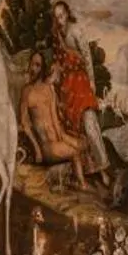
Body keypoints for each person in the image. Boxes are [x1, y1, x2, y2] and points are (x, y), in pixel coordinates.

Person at [49, 0, 110, 177]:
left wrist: (92, 82)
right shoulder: (57, 35)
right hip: (68, 86)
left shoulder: (76, 31)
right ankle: (89, 167)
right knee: (75, 127)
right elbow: (59, 62)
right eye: (56, 17)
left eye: (62, 15)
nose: (59, 19)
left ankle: (103, 164)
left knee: (89, 123)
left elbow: (87, 57)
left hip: (81, 82)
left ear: (67, 13)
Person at [18, 52, 86, 189]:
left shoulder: (49, 88)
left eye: (37, 65)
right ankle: (81, 184)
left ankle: (77, 181)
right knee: (75, 151)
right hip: (46, 146)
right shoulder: (26, 91)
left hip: (57, 140)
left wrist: (65, 138)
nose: (33, 68)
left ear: (43, 68)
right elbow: (24, 123)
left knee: (83, 145)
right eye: (32, 64)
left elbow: (54, 118)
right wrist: (37, 148)